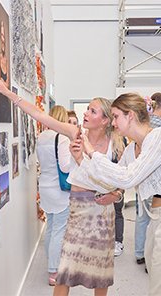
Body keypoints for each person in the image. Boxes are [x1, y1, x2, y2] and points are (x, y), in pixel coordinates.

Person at [0, 71, 124, 296]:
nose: (86, 113)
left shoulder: (116, 143)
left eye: (93, 111)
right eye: (87, 109)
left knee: (101, 273)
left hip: (103, 214)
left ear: (105, 120)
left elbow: (121, 180)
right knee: (65, 271)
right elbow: (41, 116)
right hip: (79, 209)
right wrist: (8, 94)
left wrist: (117, 195)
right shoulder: (75, 133)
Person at [70, 93, 161, 296]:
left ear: (130, 116)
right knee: (155, 274)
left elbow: (128, 177)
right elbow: (111, 180)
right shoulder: (131, 149)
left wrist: (92, 153)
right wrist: (81, 160)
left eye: (116, 116)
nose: (113, 122)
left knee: (158, 281)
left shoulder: (157, 138)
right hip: (154, 218)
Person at [36, 105, 71, 286]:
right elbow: (65, 166)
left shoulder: (41, 137)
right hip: (59, 189)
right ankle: (53, 271)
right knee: (59, 229)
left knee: (51, 226)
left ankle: (51, 260)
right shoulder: (62, 138)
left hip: (44, 186)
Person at [134, 92, 161, 269]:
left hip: (141, 174)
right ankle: (150, 259)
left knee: (142, 216)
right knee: (156, 220)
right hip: (157, 179)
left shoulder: (144, 123)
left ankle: (139, 253)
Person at [0, 20, 11, 122]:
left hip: (7, 99)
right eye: (1, 35)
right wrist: (3, 84)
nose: (2, 38)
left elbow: (7, 84)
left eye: (3, 35)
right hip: (2, 99)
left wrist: (3, 83)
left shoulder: (6, 60)